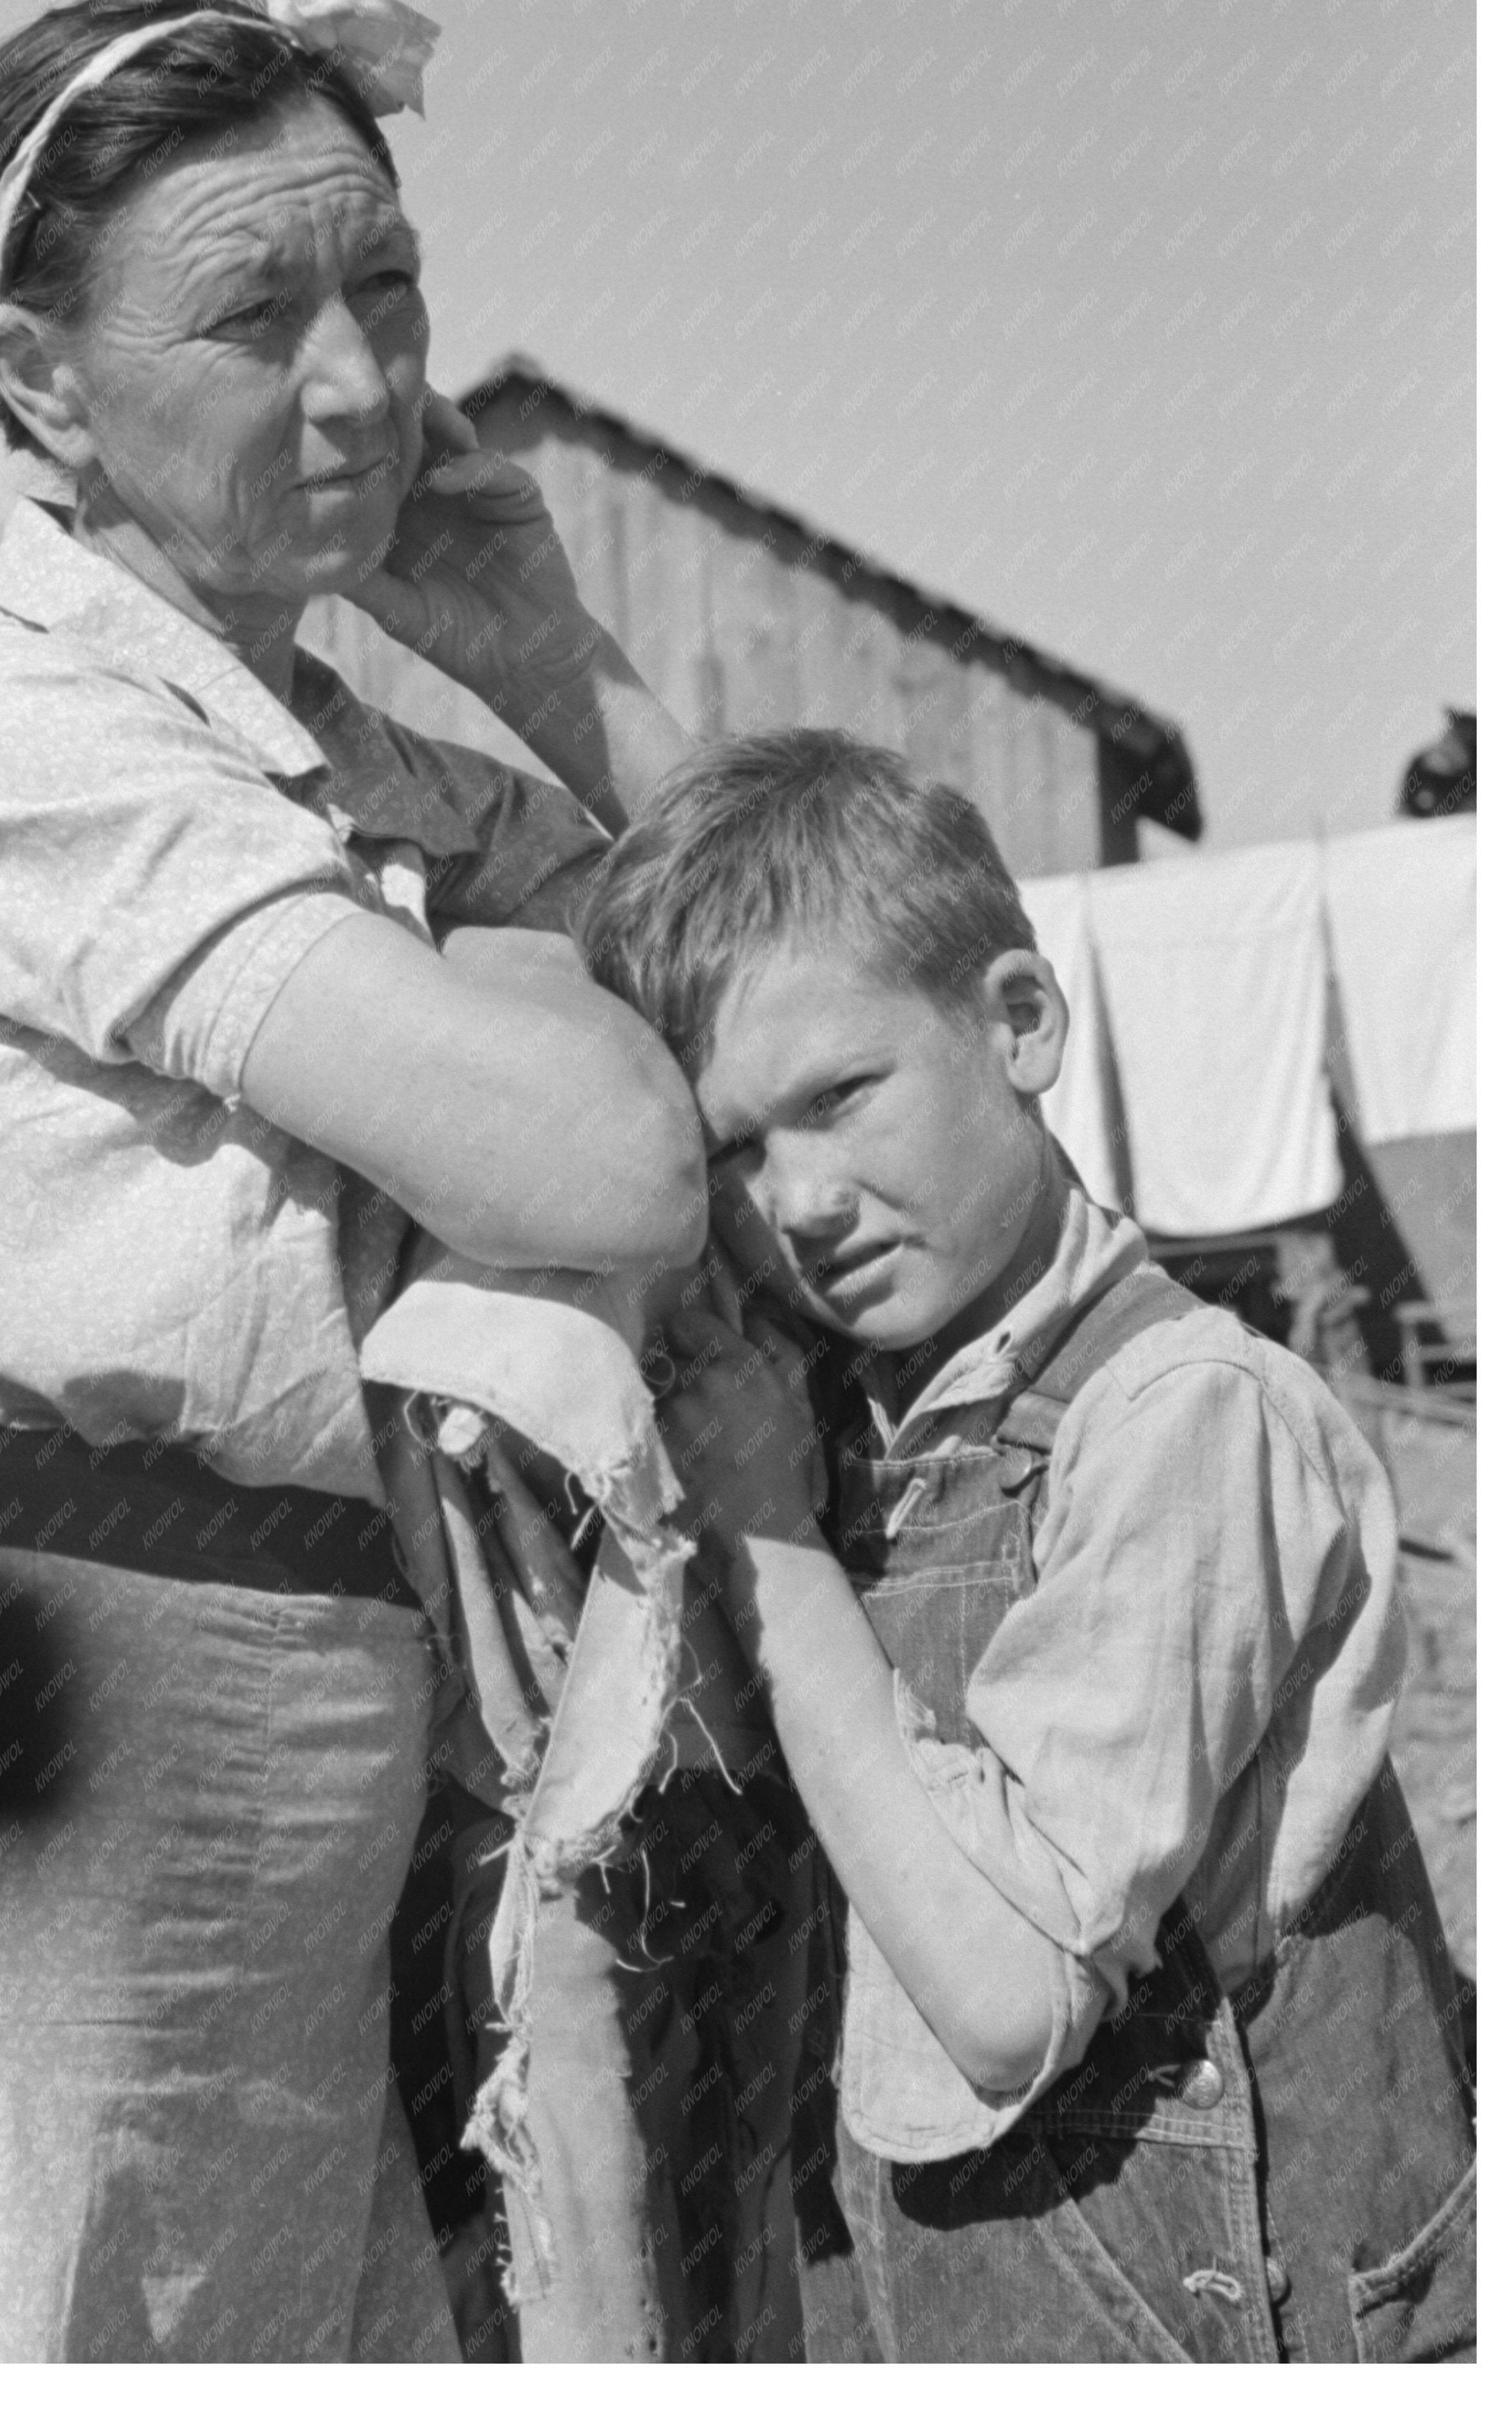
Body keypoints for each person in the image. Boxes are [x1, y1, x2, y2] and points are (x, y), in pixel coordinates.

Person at [0, 0, 708, 2362]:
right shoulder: (10, 738)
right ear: (43, 380)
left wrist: (552, 660)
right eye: (256, 313)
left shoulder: (339, 758)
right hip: (44, 1779)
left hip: (273, 1776)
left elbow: (796, 986)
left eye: (387, 288)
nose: (356, 382)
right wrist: (548, 1004)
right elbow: (613, 1166)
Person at [578, 729, 1477, 2365]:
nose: (800, 1199)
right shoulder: (860, 1409)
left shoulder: (1182, 1417)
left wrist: (767, 1534)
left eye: (840, 1099)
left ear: (1018, 1023)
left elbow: (998, 1992)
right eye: (733, 1151)